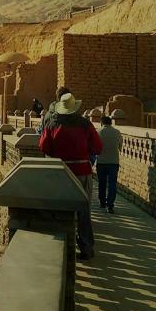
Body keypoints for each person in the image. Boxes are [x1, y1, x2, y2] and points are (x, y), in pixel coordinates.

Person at [38, 92, 103, 260]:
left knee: (60, 209)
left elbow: (44, 147)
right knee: (83, 211)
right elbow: (97, 147)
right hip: (82, 172)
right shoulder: (85, 124)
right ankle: (86, 248)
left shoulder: (52, 124)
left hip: (60, 173)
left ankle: (62, 246)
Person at [96, 115, 122, 213]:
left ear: (101, 123)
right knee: (112, 184)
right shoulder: (117, 132)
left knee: (102, 183)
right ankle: (110, 205)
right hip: (114, 162)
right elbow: (120, 147)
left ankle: (102, 202)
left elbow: (95, 147)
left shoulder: (98, 132)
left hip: (101, 162)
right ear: (111, 123)